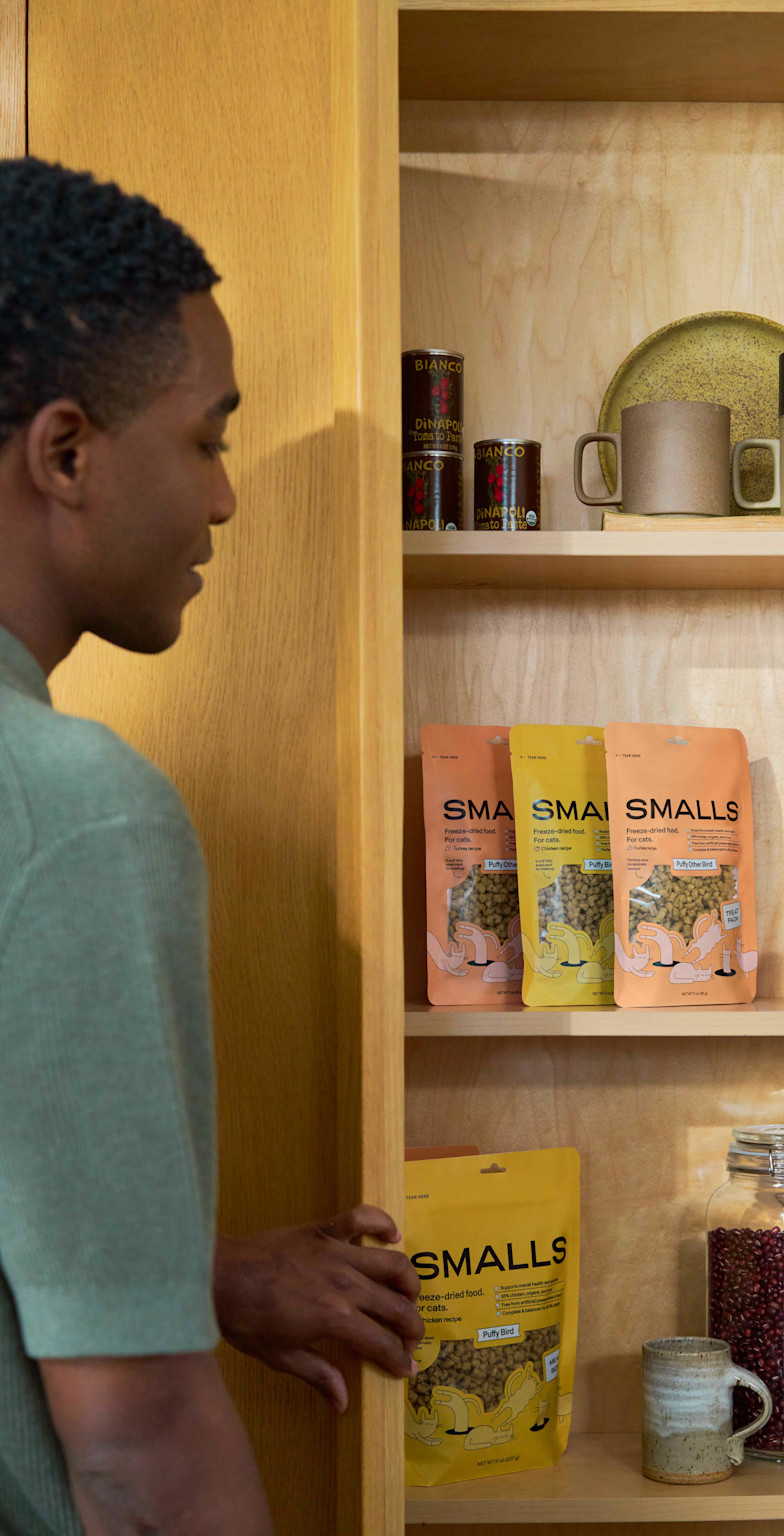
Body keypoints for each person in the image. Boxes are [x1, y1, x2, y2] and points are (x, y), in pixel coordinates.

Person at [0, 157, 422, 1535]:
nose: (227, 500)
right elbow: (141, 1459)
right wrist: (154, 1343)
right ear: (65, 454)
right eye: (207, 439)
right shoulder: (72, 808)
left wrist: (175, 1273)